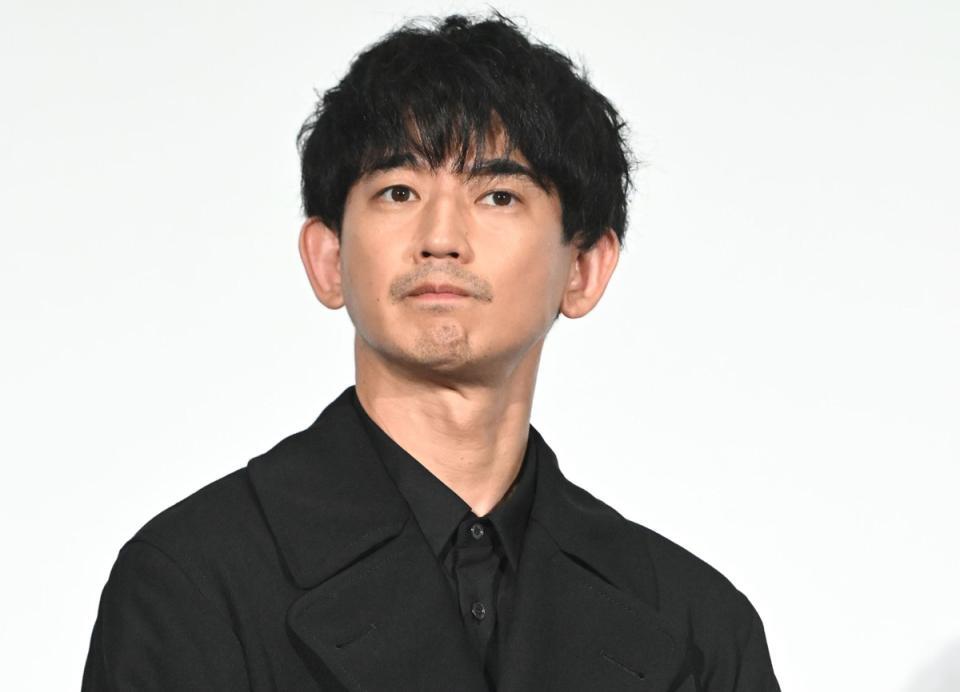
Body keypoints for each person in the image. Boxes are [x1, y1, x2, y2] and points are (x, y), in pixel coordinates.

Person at [82, 12, 780, 691]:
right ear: (327, 259)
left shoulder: (697, 627)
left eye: (498, 196)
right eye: (398, 191)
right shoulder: (192, 583)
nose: (441, 238)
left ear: (584, 269)